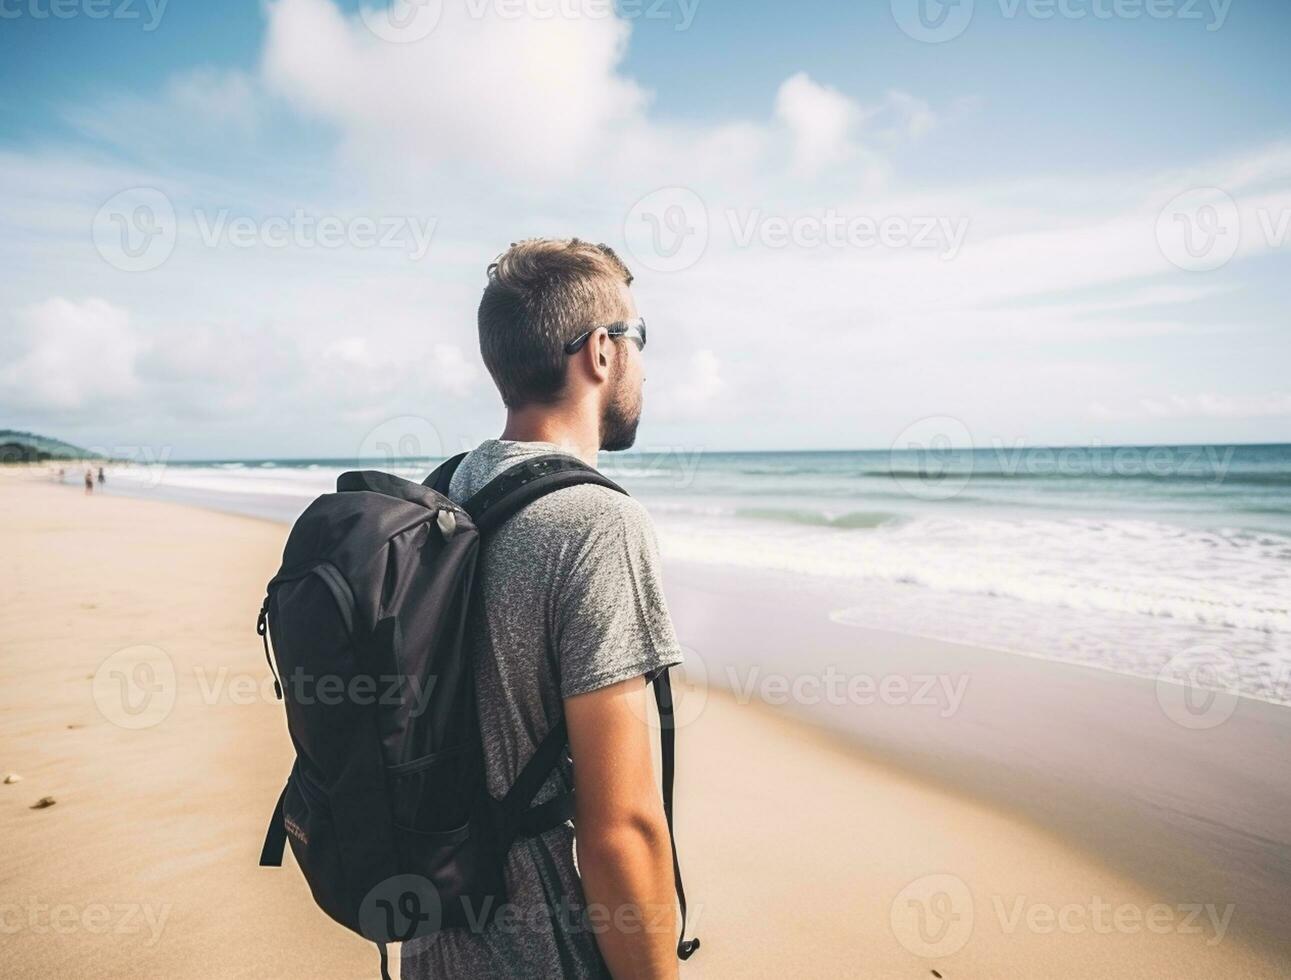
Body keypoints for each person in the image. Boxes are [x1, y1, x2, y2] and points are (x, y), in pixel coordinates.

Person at [402, 239, 683, 980]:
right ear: (599, 350)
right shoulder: (594, 523)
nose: (645, 366)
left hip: (435, 939)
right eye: (639, 339)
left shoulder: (442, 495)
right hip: (538, 951)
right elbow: (620, 827)